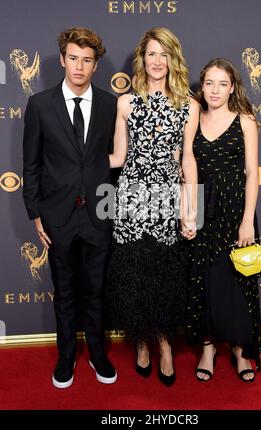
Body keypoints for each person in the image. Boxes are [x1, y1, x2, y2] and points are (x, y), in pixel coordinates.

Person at [23, 27, 117, 388]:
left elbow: (117, 162)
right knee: (64, 291)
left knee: (96, 289)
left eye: (87, 60)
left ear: (96, 65)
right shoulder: (39, 104)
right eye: (73, 58)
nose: (79, 67)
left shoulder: (110, 104)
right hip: (57, 215)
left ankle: (97, 353)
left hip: (99, 213)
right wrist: (34, 213)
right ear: (62, 60)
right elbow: (29, 164)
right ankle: (66, 357)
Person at [107, 27, 199, 386]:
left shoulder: (188, 105)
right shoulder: (125, 103)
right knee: (134, 274)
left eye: (164, 54)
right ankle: (141, 342)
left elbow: (188, 160)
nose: (157, 61)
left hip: (168, 197)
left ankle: (165, 345)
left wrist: (191, 210)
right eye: (151, 54)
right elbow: (117, 156)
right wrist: (69, 162)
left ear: (173, 59)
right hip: (131, 195)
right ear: (141, 59)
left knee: (163, 274)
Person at [186, 58, 261, 382]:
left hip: (235, 212)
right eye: (209, 83)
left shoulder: (244, 120)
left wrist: (247, 221)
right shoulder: (192, 117)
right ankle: (208, 348)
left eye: (222, 83)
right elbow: (184, 168)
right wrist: (188, 212)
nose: (215, 90)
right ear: (201, 86)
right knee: (202, 282)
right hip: (202, 209)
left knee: (239, 282)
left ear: (232, 87)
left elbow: (252, 174)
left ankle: (241, 351)